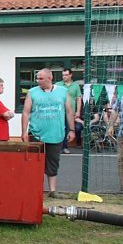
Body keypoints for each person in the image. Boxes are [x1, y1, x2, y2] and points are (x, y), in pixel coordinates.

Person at [21, 68, 75, 198]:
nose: (38, 81)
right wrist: (24, 131)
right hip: (36, 134)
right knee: (34, 163)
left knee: (53, 162)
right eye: (37, 78)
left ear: (49, 78)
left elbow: (69, 111)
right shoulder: (32, 92)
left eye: (41, 78)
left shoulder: (63, 92)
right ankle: (35, 189)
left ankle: (52, 190)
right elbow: (26, 112)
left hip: (56, 134)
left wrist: (72, 130)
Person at [61, 68, 82, 153]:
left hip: (70, 112)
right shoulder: (58, 85)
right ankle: (59, 147)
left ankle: (65, 147)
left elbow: (78, 99)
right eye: (63, 75)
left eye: (66, 75)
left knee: (67, 129)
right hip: (60, 111)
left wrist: (78, 111)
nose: (64, 77)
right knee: (60, 129)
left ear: (70, 75)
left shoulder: (75, 86)